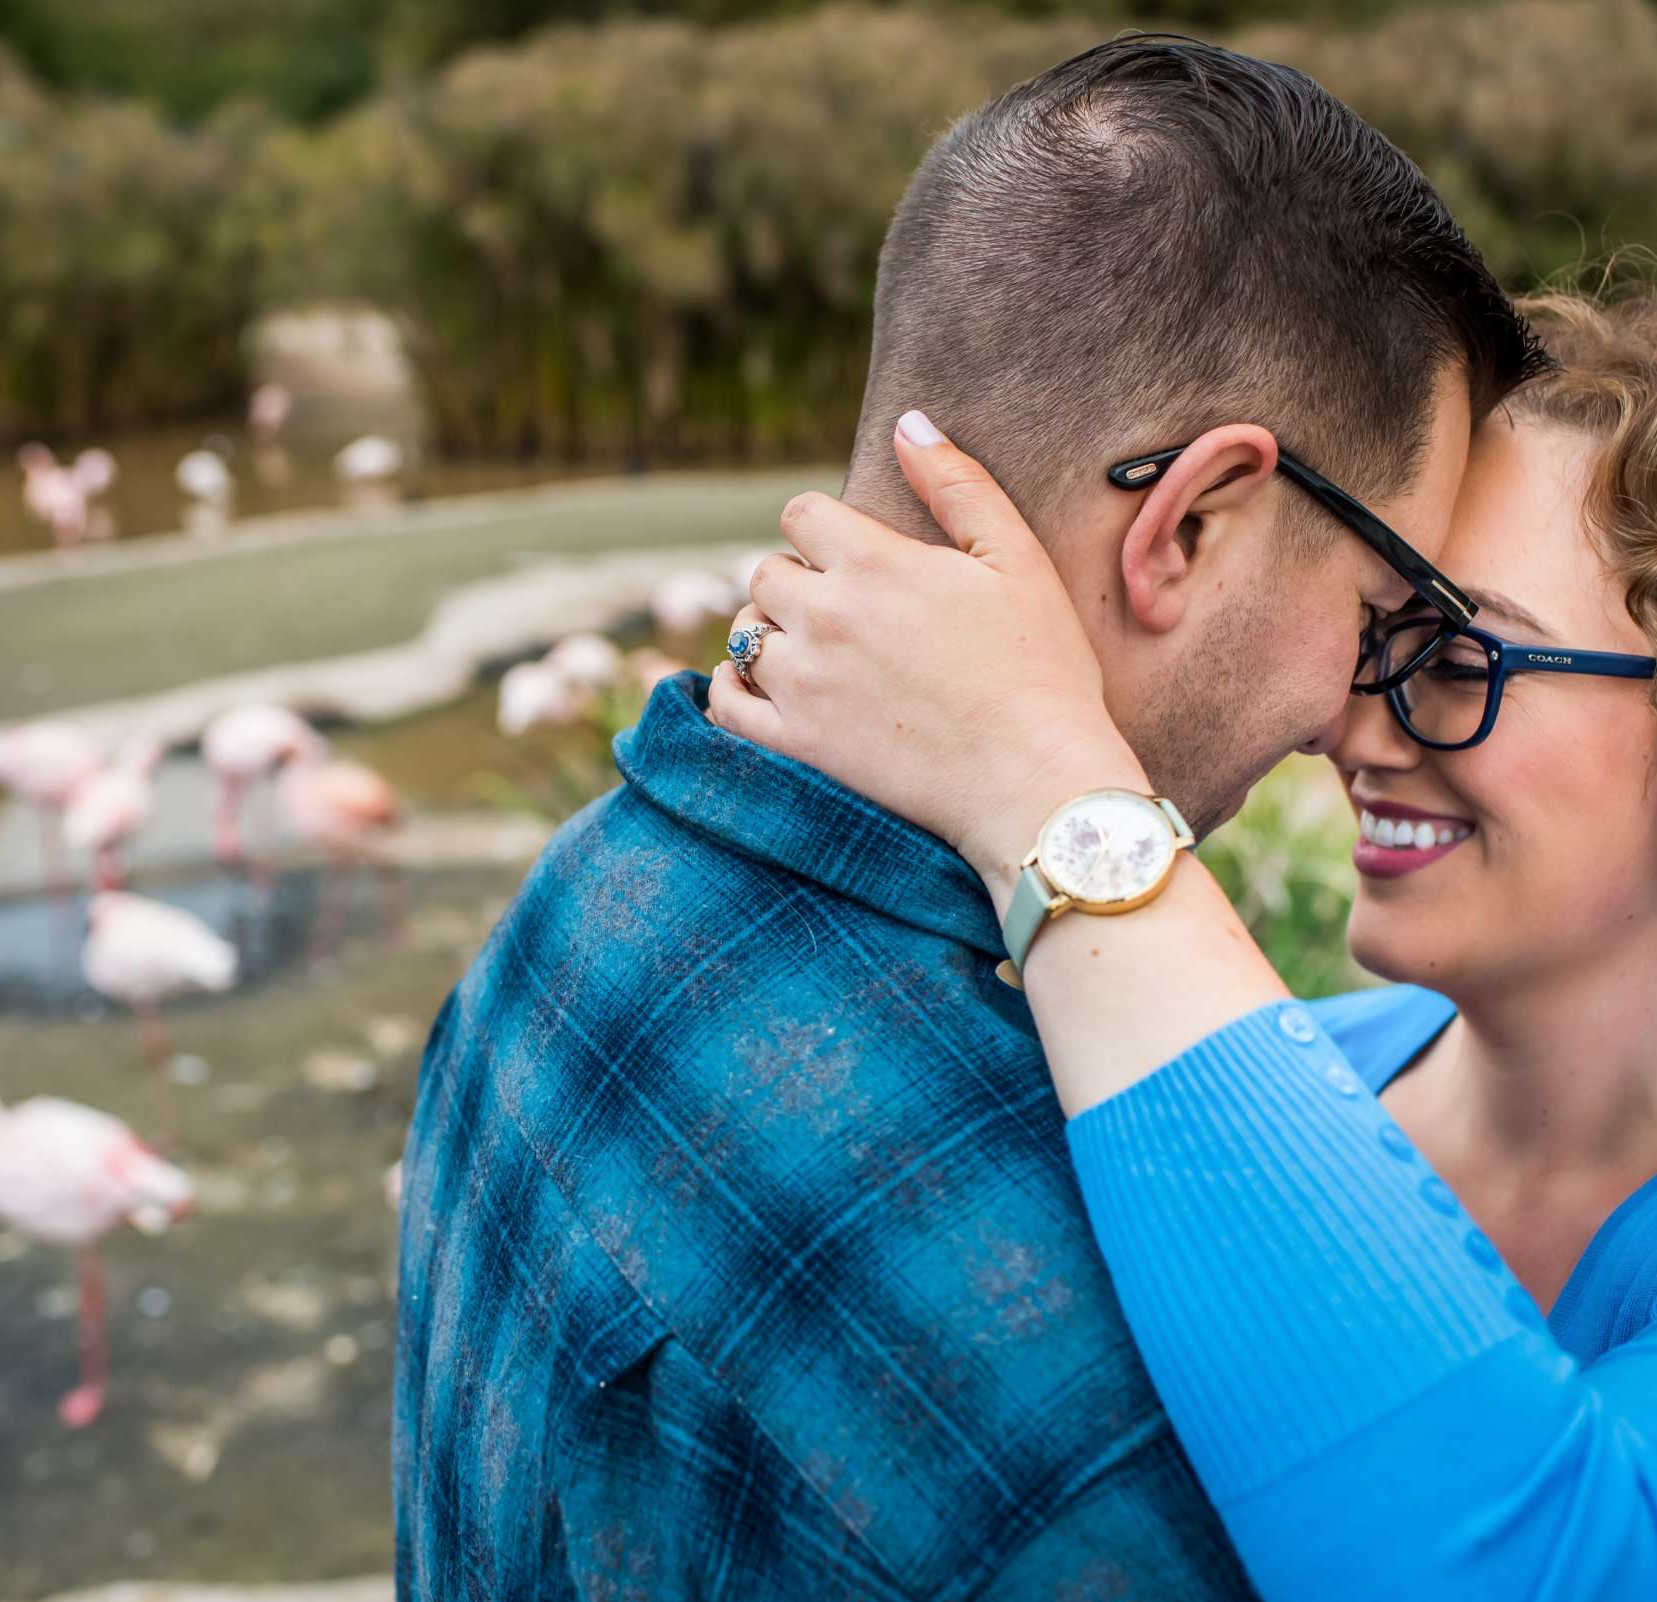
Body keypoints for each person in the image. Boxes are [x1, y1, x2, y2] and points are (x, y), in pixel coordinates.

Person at [395, 33, 1548, 1600]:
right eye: (1386, 608)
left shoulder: (564, 915)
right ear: (1192, 523)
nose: (1366, 711)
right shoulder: (1083, 1417)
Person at [708, 293, 1657, 1601]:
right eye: (1369, 633)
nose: (1357, 729)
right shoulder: (1252, 1084)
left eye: (1459, 654)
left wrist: (1050, 789)